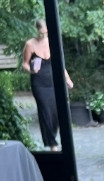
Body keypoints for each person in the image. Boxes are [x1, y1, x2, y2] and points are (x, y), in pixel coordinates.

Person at [21, 19, 73, 151]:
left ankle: (54, 138)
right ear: (37, 30)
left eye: (46, 32)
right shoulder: (30, 44)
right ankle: (52, 144)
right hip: (39, 84)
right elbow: (25, 63)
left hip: (54, 82)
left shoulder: (52, 42)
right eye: (42, 33)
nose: (44, 35)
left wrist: (67, 78)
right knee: (45, 112)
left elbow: (60, 64)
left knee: (56, 112)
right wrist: (31, 70)